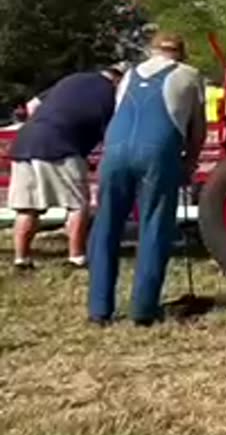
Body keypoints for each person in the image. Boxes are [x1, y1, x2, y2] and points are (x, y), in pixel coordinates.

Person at [88, 32, 206, 327]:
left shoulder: (129, 75)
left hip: (115, 150)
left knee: (106, 227)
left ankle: (99, 309)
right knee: (154, 226)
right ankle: (143, 309)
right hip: (157, 152)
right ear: (181, 53)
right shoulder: (190, 75)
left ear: (152, 51)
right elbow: (197, 130)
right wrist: (189, 163)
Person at [7, 64, 126, 270]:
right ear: (118, 80)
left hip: (25, 142)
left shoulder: (72, 79)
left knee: (28, 207)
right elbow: (112, 135)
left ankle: (22, 258)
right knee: (77, 205)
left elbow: (31, 106)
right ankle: (76, 256)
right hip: (62, 146)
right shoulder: (111, 95)